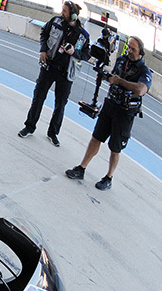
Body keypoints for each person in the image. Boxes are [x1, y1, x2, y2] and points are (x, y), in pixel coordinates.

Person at [65, 36, 152, 190]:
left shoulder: (144, 71)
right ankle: (81, 168)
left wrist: (119, 81)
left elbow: (140, 89)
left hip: (125, 113)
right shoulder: (121, 60)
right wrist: (105, 77)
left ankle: (108, 177)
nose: (130, 51)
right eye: (129, 48)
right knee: (96, 138)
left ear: (141, 52)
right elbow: (113, 77)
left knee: (115, 147)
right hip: (110, 105)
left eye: (133, 49)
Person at [18, 1, 90, 147]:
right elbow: (44, 33)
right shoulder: (55, 21)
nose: (62, 13)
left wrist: (74, 52)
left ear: (74, 15)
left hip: (66, 74)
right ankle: (29, 126)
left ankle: (53, 133)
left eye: (65, 11)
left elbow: (86, 55)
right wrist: (43, 49)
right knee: (38, 97)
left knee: (60, 105)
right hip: (49, 67)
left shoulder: (83, 35)